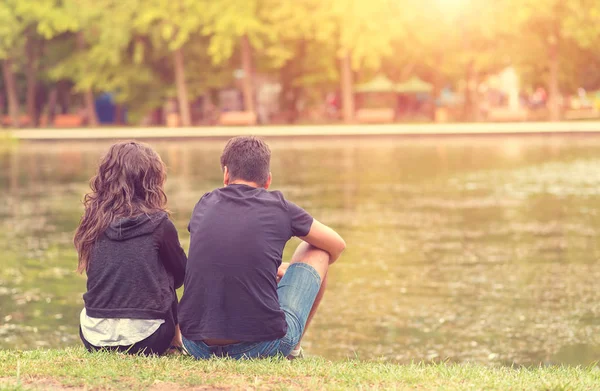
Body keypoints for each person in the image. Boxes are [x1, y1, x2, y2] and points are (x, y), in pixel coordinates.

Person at [179, 136, 346, 359]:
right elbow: (337, 245)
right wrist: (296, 274)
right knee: (318, 250)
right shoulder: (279, 206)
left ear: (226, 174)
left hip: (196, 344)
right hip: (260, 347)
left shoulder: (204, 202)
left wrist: (268, 268)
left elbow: (224, 254)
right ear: (267, 180)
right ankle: (293, 350)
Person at [74, 141, 187, 355]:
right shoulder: (159, 223)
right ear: (152, 181)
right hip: (149, 340)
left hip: (93, 338)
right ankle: (175, 344)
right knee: (168, 270)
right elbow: (182, 275)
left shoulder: (92, 221)